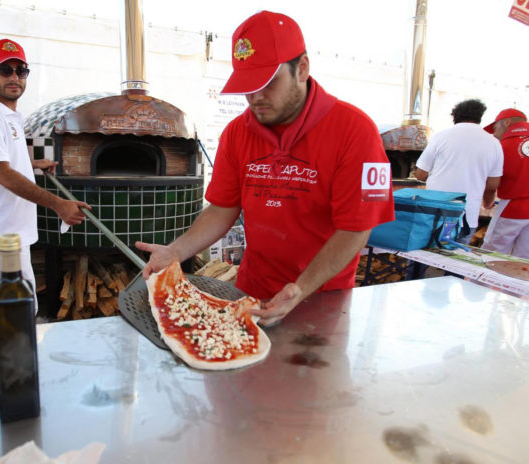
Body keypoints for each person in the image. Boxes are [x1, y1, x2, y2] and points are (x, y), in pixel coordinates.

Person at [136, 11, 395, 326]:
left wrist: (299, 290)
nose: (256, 98)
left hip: (322, 298)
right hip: (250, 293)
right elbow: (222, 208)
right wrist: (176, 251)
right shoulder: (237, 132)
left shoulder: (356, 131)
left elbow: (355, 229)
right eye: (247, 85)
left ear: (301, 68)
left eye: (268, 83)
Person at [0, 38, 89, 306]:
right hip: (3, 232)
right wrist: (58, 204)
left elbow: (1, 158)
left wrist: (33, 164)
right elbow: (2, 174)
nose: (14, 77)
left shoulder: (6, 112)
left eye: (21, 71)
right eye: (5, 70)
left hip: (13, 228)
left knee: (10, 310)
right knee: (19, 311)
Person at [414, 99, 504, 244]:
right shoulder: (493, 143)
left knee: (422, 257)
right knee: (456, 261)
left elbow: (421, 174)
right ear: (480, 117)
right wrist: (488, 203)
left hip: (434, 212)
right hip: (466, 215)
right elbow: (493, 184)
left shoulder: (440, 137)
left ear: (454, 116)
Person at [481, 108, 529, 258]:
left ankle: (481, 283)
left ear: (507, 123)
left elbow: (492, 183)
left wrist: (487, 201)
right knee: (524, 259)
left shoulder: (501, 147)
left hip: (512, 207)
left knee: (492, 253)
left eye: (496, 127)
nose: (494, 133)